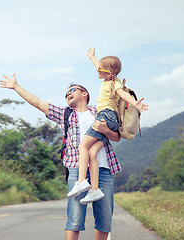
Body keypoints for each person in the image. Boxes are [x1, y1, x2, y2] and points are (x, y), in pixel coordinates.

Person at [0, 73, 121, 240]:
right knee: (75, 218)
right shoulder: (65, 114)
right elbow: (37, 103)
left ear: (84, 93)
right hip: (76, 170)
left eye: (72, 90)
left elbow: (116, 137)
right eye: (66, 94)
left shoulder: (99, 111)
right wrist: (15, 86)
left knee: (105, 220)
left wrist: (105, 130)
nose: (68, 94)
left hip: (104, 170)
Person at [67, 48, 148, 205]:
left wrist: (135, 103)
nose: (98, 70)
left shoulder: (114, 83)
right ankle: (95, 190)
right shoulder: (107, 79)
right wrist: (93, 58)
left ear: (110, 73)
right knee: (92, 152)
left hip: (105, 116)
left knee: (82, 146)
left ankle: (82, 181)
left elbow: (123, 94)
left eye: (101, 68)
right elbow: (98, 67)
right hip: (110, 119)